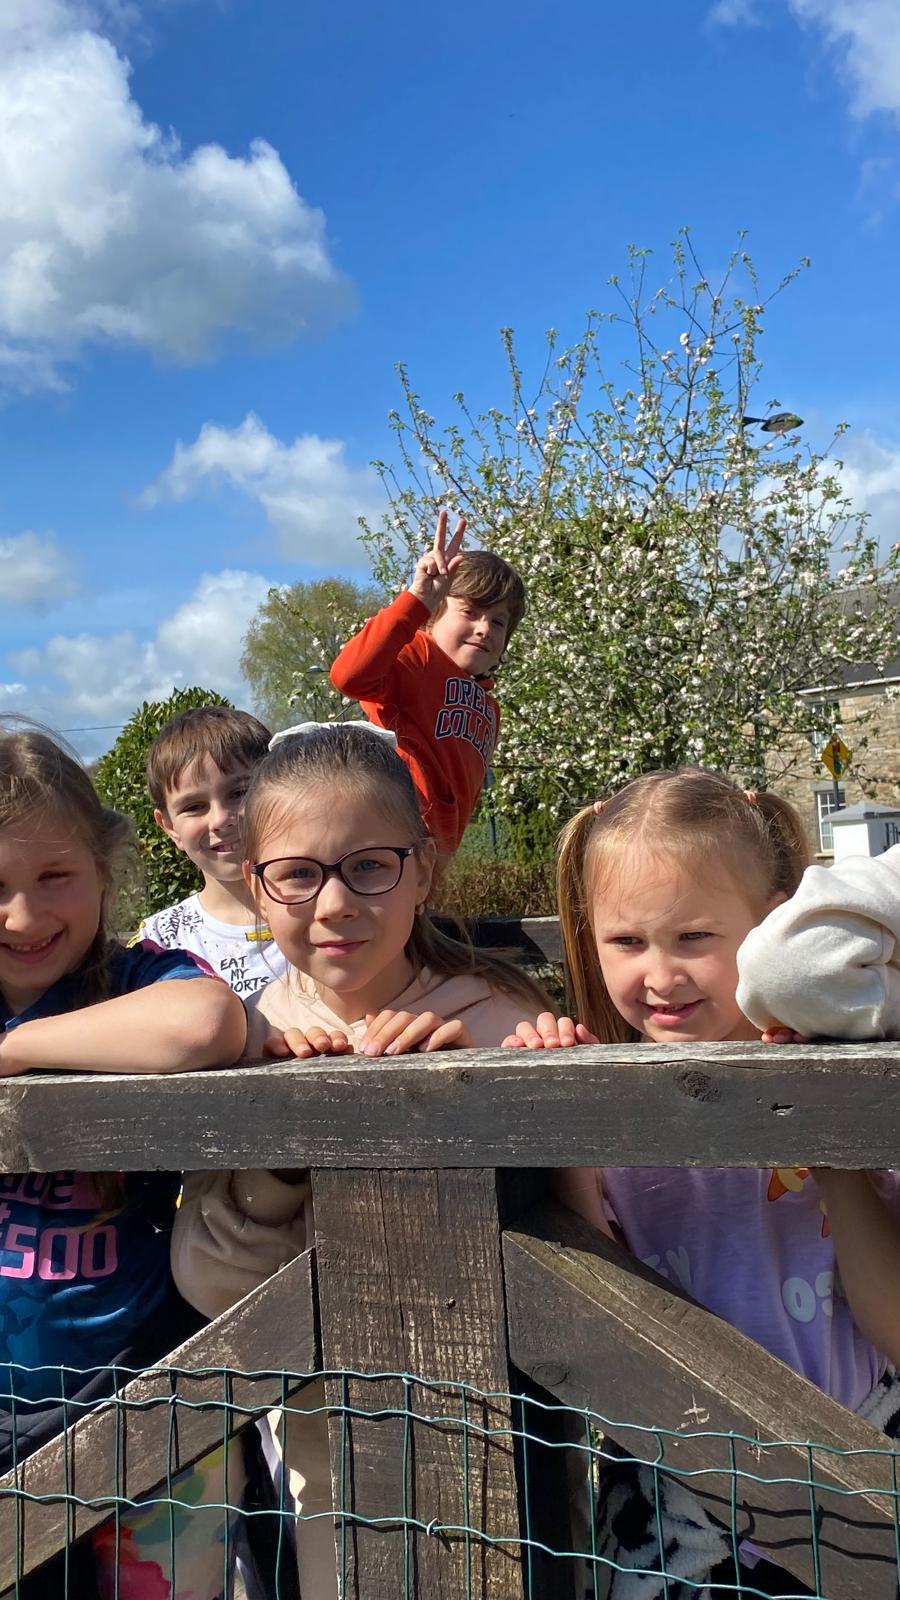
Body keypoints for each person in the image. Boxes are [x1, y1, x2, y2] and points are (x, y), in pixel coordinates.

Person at [503, 769, 900, 1600]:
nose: (660, 975)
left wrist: (824, 1140)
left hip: (863, 1482)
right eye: (627, 941)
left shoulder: (857, 1081)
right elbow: (597, 1318)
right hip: (674, 1506)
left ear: (774, 925)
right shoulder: (611, 1100)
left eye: (693, 938)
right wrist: (563, 1124)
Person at [171, 723, 548, 1598]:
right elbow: (209, 1279)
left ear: (422, 870)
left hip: (504, 1433)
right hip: (322, 1457)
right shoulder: (249, 1034)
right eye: (298, 874)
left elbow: (586, 1229)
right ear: (258, 888)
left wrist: (486, 1083)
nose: (335, 904)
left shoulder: (498, 1016)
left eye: (370, 866)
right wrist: (287, 1160)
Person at [0, 726, 247, 1599]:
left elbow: (205, 1023)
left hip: (145, 1400)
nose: (24, 917)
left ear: (104, 871)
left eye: (53, 877)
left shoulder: (142, 976)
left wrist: (15, 1049)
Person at [330, 510, 526, 860]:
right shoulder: (415, 655)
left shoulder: (489, 708)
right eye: (470, 613)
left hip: (434, 859)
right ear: (434, 616)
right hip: (390, 843)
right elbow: (349, 675)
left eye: (498, 622)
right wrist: (417, 600)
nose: (484, 629)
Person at [134, 705, 289, 996]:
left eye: (240, 793)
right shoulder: (157, 943)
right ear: (169, 827)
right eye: (194, 806)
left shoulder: (325, 908)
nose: (220, 819)